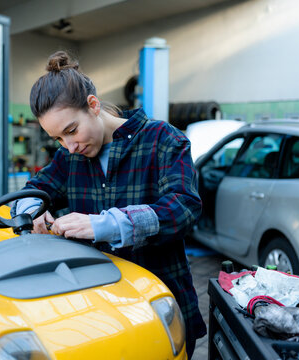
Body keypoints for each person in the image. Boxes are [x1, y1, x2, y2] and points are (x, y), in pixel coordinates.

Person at [12, 50, 206, 358]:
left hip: (162, 310)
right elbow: (35, 189)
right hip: (98, 313)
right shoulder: (70, 158)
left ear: (93, 105)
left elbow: (183, 207)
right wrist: (31, 211)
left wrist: (108, 224)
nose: (70, 146)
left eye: (72, 130)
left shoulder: (162, 139)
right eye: (58, 139)